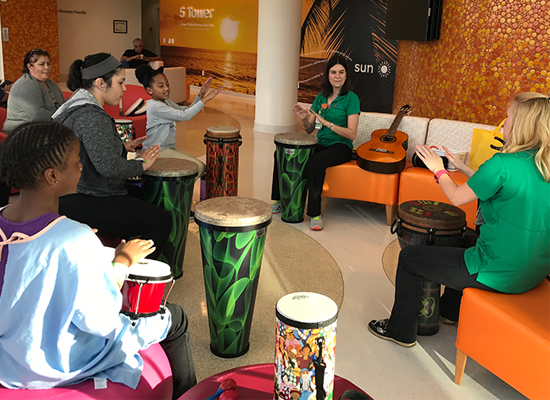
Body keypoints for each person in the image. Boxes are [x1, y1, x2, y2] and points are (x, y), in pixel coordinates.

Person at [0, 121, 196, 397]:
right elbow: (100, 320)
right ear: (53, 176)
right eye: (76, 162)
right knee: (175, 318)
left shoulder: (6, 219)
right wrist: (123, 262)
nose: (81, 167)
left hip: (8, 361)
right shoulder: (75, 238)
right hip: (55, 363)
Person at [369, 92, 550, 347]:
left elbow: (456, 196)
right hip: (532, 271)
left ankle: (400, 331)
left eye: (508, 117)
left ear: (522, 124)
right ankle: (450, 312)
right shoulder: (543, 163)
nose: (504, 122)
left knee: (409, 259)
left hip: (499, 273)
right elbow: (500, 184)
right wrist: (462, 168)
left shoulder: (503, 163)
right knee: (459, 237)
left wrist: (438, 169)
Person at [52, 53, 171, 261]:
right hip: (82, 196)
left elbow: (86, 150)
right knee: (161, 220)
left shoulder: (76, 105)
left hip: (72, 192)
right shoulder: (90, 115)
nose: (124, 88)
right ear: (100, 83)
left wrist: (121, 146)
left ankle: (121, 252)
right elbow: (109, 167)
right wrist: (141, 163)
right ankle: (136, 282)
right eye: (121, 82)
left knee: (139, 196)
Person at [271, 55, 360, 230]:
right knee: (281, 153)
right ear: (327, 75)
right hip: (320, 143)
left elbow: (351, 134)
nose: (337, 76)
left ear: (346, 75)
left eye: (341, 72)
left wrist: (329, 124)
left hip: (341, 146)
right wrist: (304, 119)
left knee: (315, 163)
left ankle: (314, 214)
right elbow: (310, 129)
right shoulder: (321, 97)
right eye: (333, 72)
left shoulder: (351, 98)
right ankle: (278, 199)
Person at [135, 64, 222, 177]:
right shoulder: (156, 106)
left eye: (167, 84)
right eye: (161, 86)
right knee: (198, 167)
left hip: (166, 149)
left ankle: (179, 191)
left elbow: (185, 110)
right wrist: (205, 99)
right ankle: (178, 192)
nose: (166, 88)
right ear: (149, 90)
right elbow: (185, 115)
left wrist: (200, 95)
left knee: (200, 167)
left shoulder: (164, 102)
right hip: (157, 152)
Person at [2, 49, 65, 133]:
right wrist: (66, 119)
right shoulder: (24, 85)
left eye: (48, 63)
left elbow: (63, 105)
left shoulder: (50, 83)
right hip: (21, 133)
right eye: (42, 64)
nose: (47, 67)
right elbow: (39, 115)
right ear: (30, 67)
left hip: (45, 127)